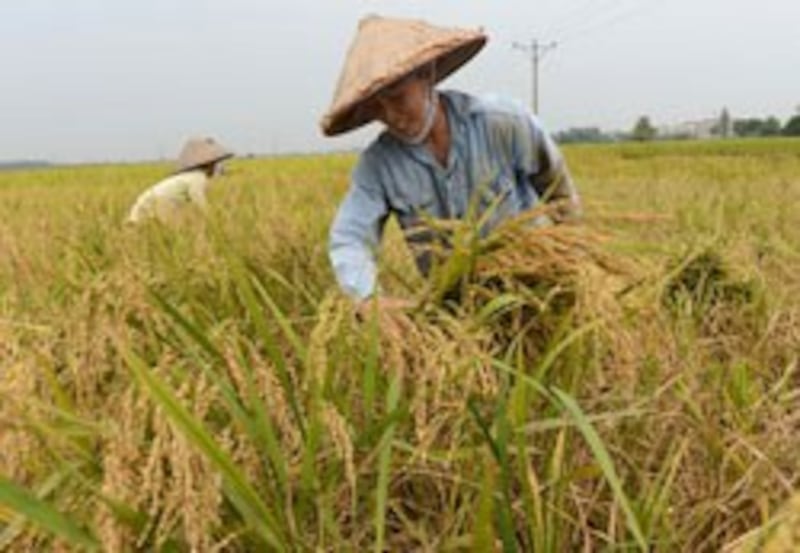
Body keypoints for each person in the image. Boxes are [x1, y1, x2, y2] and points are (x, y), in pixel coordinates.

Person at [320, 15, 581, 307]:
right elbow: (350, 238)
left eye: (397, 98)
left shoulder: (502, 122)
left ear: (426, 74)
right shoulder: (378, 166)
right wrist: (367, 299)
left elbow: (557, 188)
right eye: (376, 107)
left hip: (536, 288)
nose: (390, 115)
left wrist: (570, 258)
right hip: (459, 308)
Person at [127, 137, 233, 223]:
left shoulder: (189, 175)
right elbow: (198, 200)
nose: (215, 169)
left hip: (146, 198)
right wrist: (213, 220)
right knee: (174, 231)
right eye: (214, 165)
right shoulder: (198, 177)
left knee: (142, 229)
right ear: (208, 165)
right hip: (159, 201)